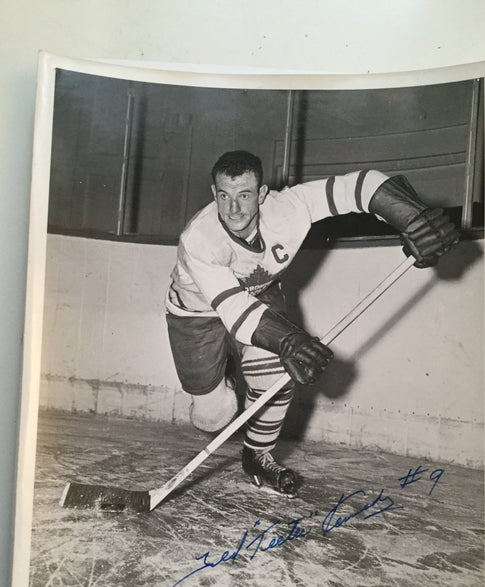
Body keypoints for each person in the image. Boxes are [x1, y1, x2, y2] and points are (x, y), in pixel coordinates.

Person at [166, 150, 458, 497]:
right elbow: (231, 307)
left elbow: (359, 186)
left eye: (244, 195)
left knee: (275, 370)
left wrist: (413, 215)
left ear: (261, 194)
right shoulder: (199, 238)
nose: (233, 210)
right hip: (197, 315)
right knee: (213, 418)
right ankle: (226, 379)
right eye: (224, 196)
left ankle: (257, 455)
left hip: (259, 299)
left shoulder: (288, 207)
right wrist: (290, 340)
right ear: (214, 194)